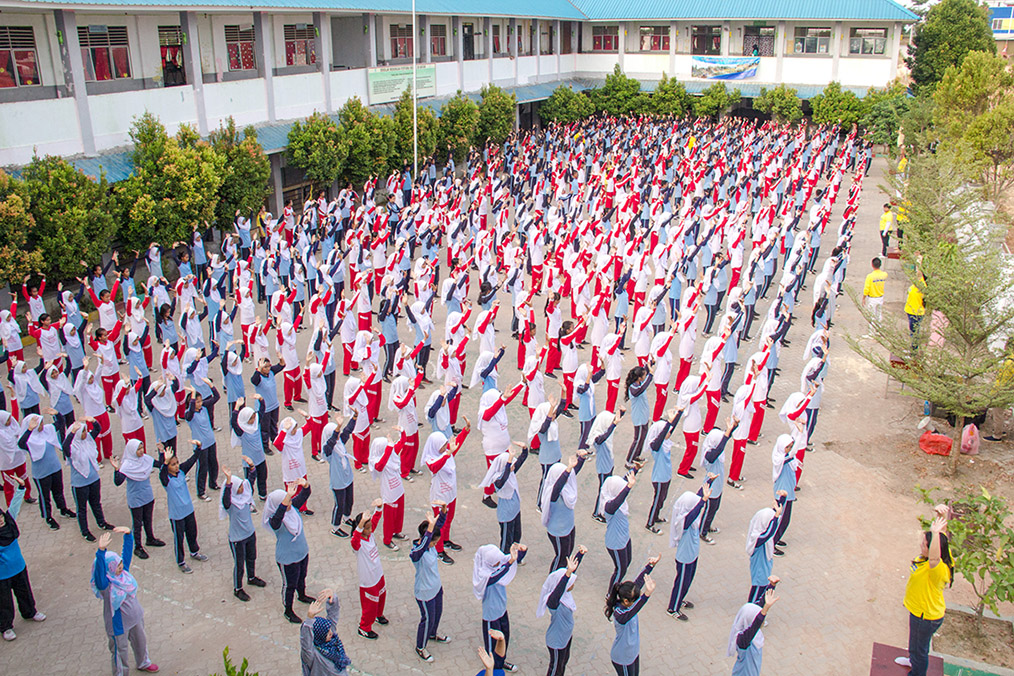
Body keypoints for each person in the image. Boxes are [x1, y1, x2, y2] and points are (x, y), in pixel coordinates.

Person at [91, 527, 159, 674]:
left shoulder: (124, 575)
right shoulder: (107, 586)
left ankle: (143, 662)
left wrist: (128, 534)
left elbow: (127, 553)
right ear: (109, 568)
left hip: (135, 618)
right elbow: (99, 574)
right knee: (119, 652)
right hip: (118, 625)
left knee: (141, 643)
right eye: (117, 566)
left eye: (121, 564)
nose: (121, 568)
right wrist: (101, 551)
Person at [895, 509, 952, 676]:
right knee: (914, 642)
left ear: (933, 549)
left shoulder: (937, 569)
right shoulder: (928, 559)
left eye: (925, 544)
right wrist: (940, 520)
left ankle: (917, 672)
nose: (921, 544)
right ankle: (912, 660)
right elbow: (940, 540)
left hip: (926, 617)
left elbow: (935, 556)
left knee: (921, 650)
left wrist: (935, 533)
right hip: (918, 612)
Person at [0, 474, 46, 642]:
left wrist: (20, 487)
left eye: (0, 517)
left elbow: (15, 506)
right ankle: (6, 627)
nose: (0, 521)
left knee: (24, 592)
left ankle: (30, 612)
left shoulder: (9, 522)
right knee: (4, 602)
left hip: (19, 567)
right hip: (2, 575)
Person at [666, 474, 717, 621]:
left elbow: (698, 498)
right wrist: (703, 501)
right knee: (681, 581)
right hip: (684, 557)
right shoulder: (682, 521)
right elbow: (695, 510)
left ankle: (680, 599)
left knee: (688, 580)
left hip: (692, 553)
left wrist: (709, 481)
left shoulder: (688, 511)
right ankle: (672, 608)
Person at [264, 479, 313, 623]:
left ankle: (302, 595)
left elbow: (305, 494)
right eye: (287, 501)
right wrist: (285, 500)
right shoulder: (275, 521)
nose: (290, 503)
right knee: (289, 584)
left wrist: (305, 485)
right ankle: (288, 610)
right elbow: (277, 518)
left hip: (302, 552)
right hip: (287, 558)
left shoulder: (293, 508)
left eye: (290, 500)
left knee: (302, 576)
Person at [473, 542, 527, 672]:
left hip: (502, 610)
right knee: (492, 645)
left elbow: (512, 559)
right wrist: (509, 563)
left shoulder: (497, 565)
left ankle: (501, 661)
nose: (499, 564)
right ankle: (494, 668)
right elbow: (496, 575)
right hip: (491, 616)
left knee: (504, 638)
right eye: (497, 563)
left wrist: (522, 550)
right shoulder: (484, 575)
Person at [156, 444, 208, 574]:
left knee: (192, 532)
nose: (176, 466)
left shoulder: (181, 472)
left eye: (177, 463)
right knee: (179, 538)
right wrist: (165, 460)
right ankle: (181, 561)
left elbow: (192, 460)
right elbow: (161, 474)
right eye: (173, 464)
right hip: (177, 515)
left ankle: (194, 551)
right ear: (168, 467)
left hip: (188, 510)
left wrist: (198, 448)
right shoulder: (166, 479)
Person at [410, 502, 451, 662]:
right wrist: (429, 532)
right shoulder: (417, 551)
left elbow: (438, 526)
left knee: (437, 614)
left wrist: (443, 511)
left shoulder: (430, 544)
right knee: (427, 618)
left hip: (436, 587)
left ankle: (433, 634)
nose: (435, 545)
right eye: (433, 542)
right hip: (424, 592)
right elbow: (423, 546)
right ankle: (420, 646)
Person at [220, 460, 267, 602]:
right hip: (237, 539)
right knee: (239, 564)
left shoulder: (245, 496)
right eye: (238, 487)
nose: (242, 488)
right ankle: (237, 588)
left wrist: (252, 467)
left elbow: (250, 481)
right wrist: (228, 482)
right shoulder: (231, 504)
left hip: (250, 533)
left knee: (252, 557)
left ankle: (251, 577)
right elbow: (225, 500)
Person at [536, 546, 587, 676]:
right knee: (555, 668)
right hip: (557, 641)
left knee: (563, 663)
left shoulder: (565, 596)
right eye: (571, 582)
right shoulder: (554, 602)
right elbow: (560, 587)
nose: (573, 584)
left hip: (565, 637)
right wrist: (567, 574)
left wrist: (580, 555)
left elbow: (567, 577)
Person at [110, 440, 165, 559]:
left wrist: (161, 452)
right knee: (137, 523)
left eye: (142, 448)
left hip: (147, 495)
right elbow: (118, 482)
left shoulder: (146, 459)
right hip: (135, 498)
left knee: (148, 519)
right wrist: (116, 469)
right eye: (138, 449)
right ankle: (138, 547)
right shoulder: (127, 465)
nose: (141, 451)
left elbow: (160, 464)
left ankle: (150, 538)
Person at [605, 556, 658, 676]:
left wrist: (650, 566)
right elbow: (632, 612)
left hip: (632, 653)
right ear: (626, 601)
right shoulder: (619, 613)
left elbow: (638, 583)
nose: (636, 600)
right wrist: (646, 595)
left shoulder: (628, 598)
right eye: (635, 599)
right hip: (622, 657)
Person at [350, 499, 389, 639]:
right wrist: (360, 525)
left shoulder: (370, 536)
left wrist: (379, 507)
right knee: (370, 605)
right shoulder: (357, 544)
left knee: (382, 595)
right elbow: (354, 539)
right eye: (366, 528)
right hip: (368, 580)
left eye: (369, 527)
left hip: (378, 574)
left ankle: (378, 615)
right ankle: (364, 627)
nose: (369, 530)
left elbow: (376, 519)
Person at [728, 587, 779, 676]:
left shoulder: (753, 634)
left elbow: (759, 604)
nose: (763, 622)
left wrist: (772, 585)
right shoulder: (743, 640)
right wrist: (765, 609)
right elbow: (755, 626)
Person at [300, 589, 350, 676]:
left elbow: (333, 616)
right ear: (319, 636)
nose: (331, 632)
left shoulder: (331, 640)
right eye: (327, 633)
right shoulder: (312, 655)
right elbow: (305, 642)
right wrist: (309, 619)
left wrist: (332, 599)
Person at [860, 258, 887, 338]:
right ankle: (879, 331)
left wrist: (864, 298)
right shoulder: (884, 275)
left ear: (872, 265)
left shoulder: (870, 276)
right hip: (880, 297)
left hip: (872, 298)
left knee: (872, 316)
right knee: (879, 315)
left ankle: (871, 333)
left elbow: (866, 288)